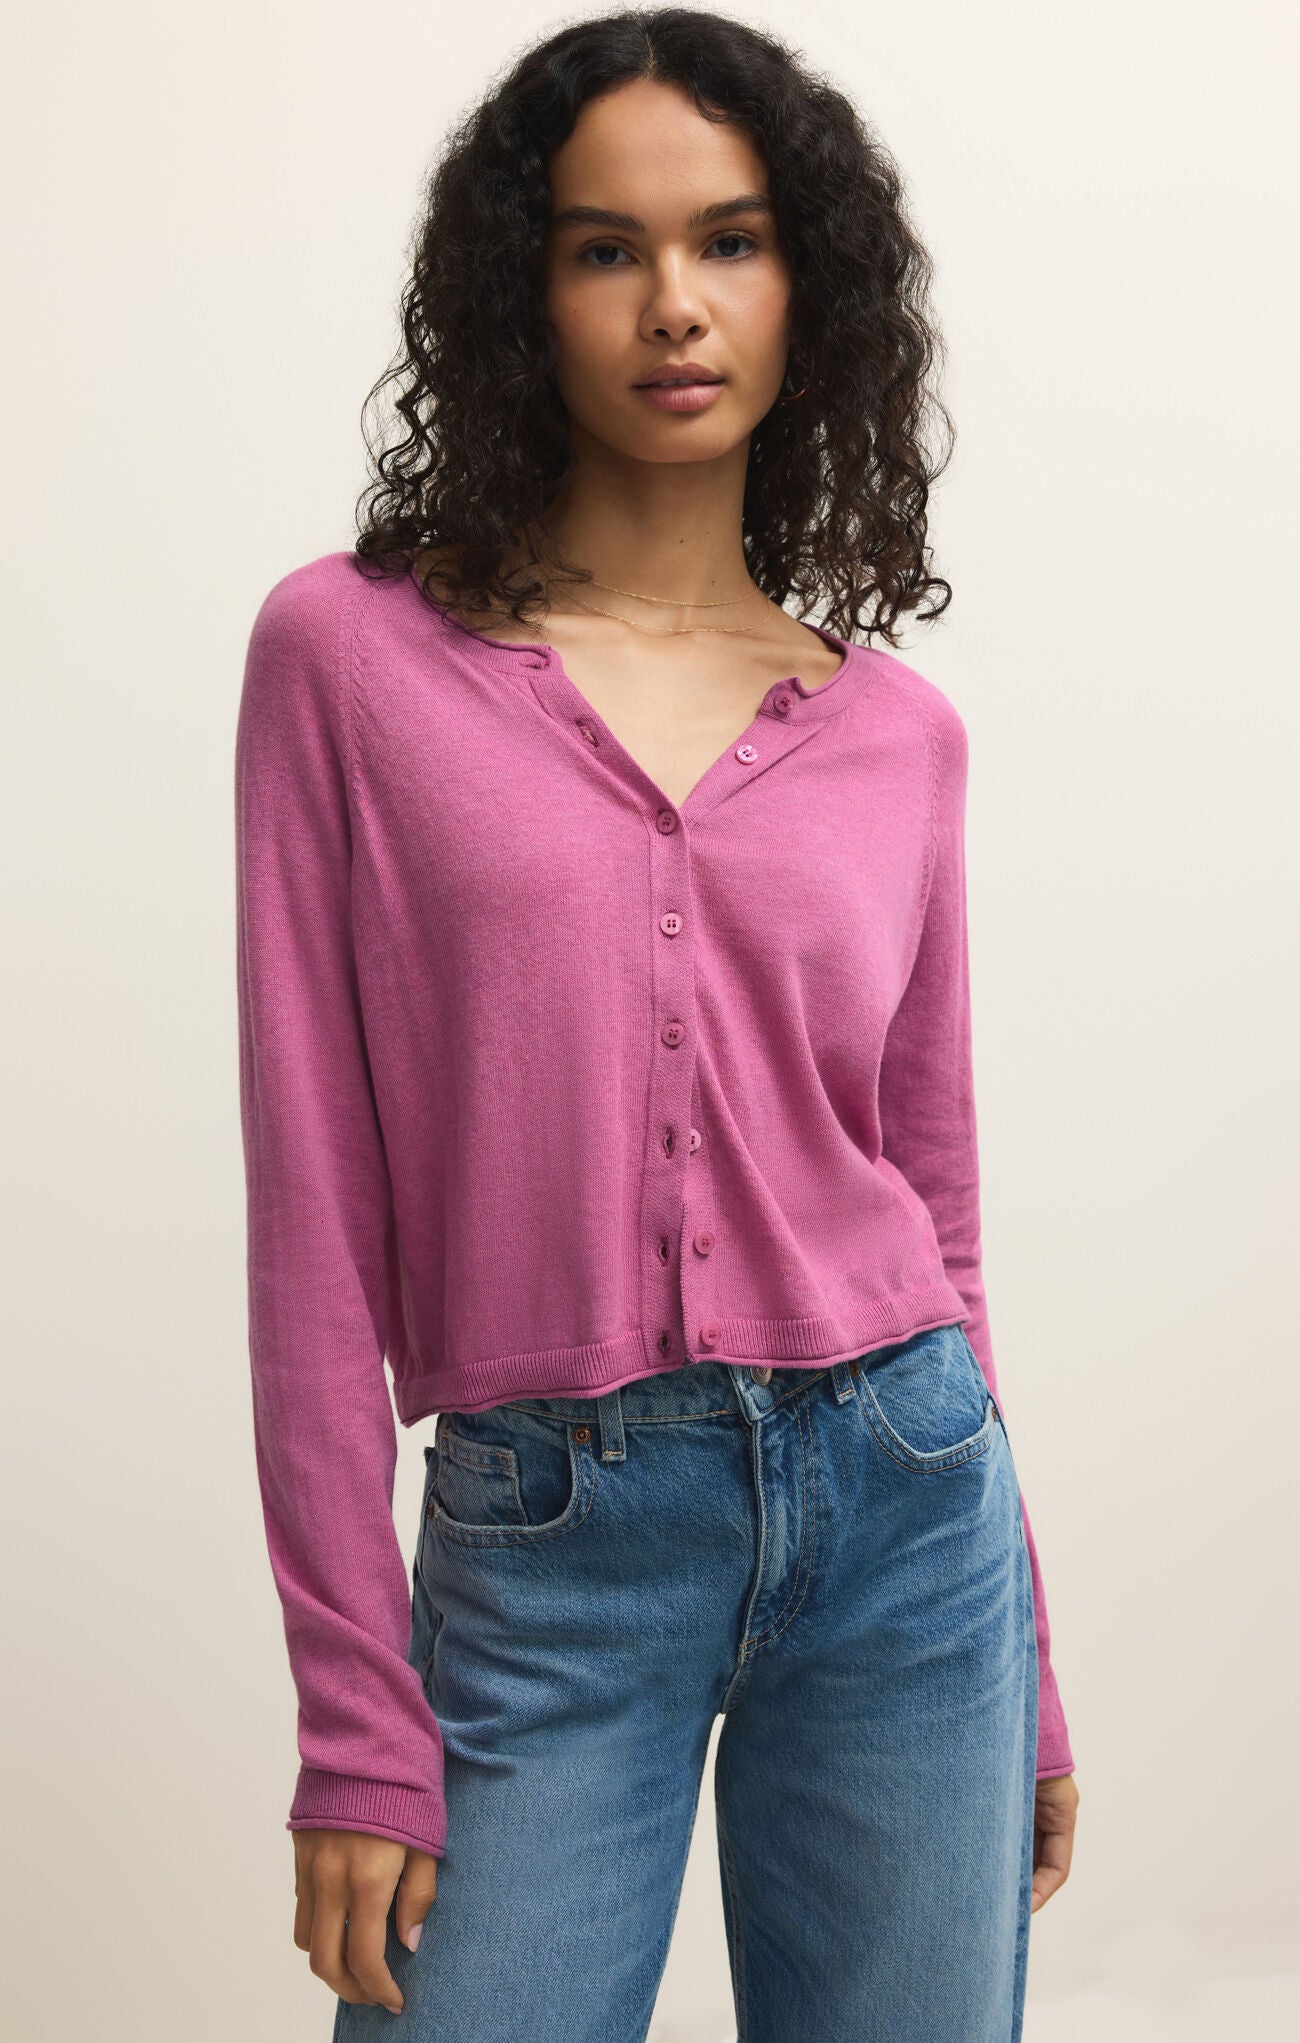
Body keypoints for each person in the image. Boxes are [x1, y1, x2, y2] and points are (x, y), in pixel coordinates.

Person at [233, 10, 1079, 2037]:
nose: (672, 303)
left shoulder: (896, 736)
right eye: (604, 247)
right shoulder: (349, 660)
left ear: (813, 290)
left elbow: (937, 1223)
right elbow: (309, 1207)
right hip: (549, 1532)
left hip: (904, 1498)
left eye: (731, 239)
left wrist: (1026, 1646)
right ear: (519, 291)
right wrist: (357, 1706)